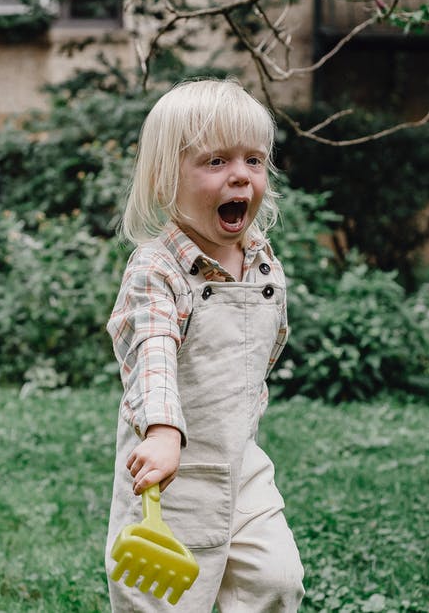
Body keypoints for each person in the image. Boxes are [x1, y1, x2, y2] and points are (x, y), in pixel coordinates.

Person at [104, 79, 305, 612]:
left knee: (275, 580)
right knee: (163, 600)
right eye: (216, 161)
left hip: (241, 463)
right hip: (167, 474)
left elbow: (259, 355)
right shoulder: (156, 269)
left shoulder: (262, 263)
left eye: (254, 160)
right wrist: (165, 431)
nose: (241, 174)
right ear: (167, 178)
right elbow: (153, 353)